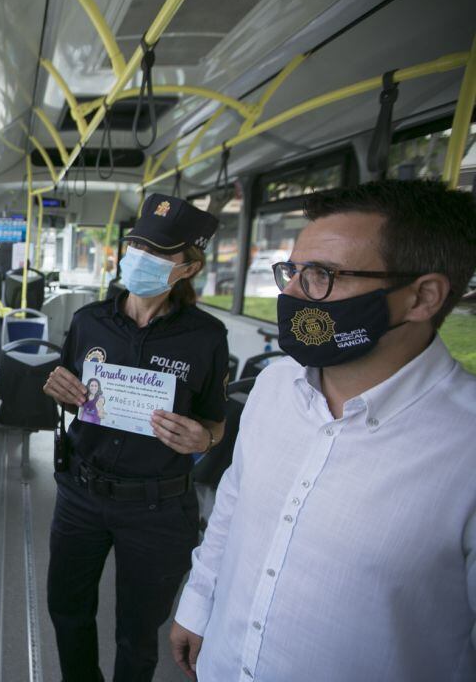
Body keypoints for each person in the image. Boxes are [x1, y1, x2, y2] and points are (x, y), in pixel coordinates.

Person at [169, 179, 476, 682]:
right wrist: (199, 603)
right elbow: (234, 502)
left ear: (422, 297)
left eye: (322, 275)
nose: (291, 293)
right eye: (292, 271)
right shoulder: (272, 387)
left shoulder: (466, 447)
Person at [43, 193, 230, 682]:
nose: (142, 257)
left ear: (187, 268)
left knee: (137, 633)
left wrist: (203, 440)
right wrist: (59, 389)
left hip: (157, 508)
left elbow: (215, 423)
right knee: (66, 611)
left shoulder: (206, 337)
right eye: (137, 244)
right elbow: (74, 393)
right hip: (81, 493)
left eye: (161, 251)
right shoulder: (88, 322)